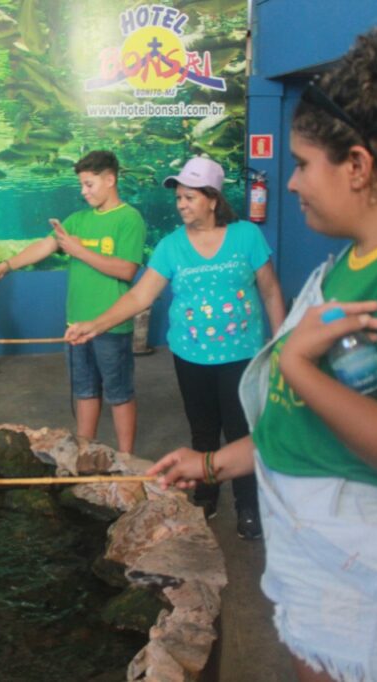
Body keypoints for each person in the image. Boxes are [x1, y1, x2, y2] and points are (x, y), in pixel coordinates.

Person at [146, 23, 377, 681]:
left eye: (303, 165)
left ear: (358, 165)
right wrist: (214, 461)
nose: (293, 184)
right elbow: (316, 422)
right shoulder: (364, 255)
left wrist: (300, 367)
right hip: (332, 561)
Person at [65, 156, 285, 537]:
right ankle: (207, 493)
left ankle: (248, 505)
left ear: (213, 199)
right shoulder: (170, 246)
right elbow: (139, 297)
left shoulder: (246, 236)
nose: (181, 204)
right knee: (202, 430)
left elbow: (270, 290)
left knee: (241, 431)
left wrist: (283, 345)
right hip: (191, 356)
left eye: (190, 197)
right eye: (179, 198)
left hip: (243, 356)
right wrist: (95, 325)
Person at [0, 150, 146, 454]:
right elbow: (44, 246)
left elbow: (127, 269)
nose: (84, 192)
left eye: (89, 184)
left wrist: (77, 250)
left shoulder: (129, 218)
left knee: (119, 393)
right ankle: (84, 450)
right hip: (76, 323)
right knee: (84, 390)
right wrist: (4, 267)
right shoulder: (76, 220)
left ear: (110, 179)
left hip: (112, 325)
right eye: (81, 185)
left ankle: (127, 459)